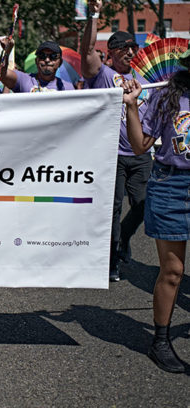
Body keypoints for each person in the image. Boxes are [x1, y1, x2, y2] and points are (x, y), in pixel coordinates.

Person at [121, 49, 190, 373]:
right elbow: (139, 146)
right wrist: (132, 105)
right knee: (173, 271)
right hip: (171, 187)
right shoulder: (167, 97)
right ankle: (159, 341)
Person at [81, 0, 153, 282]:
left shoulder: (144, 79)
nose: (129, 52)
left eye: (132, 47)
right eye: (122, 48)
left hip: (141, 154)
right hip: (110, 155)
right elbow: (87, 51)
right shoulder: (102, 75)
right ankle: (111, 261)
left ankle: (122, 239)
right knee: (111, 208)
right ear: (110, 53)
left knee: (145, 203)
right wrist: (94, 15)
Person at [0, 39, 75, 92]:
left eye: (53, 56)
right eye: (42, 56)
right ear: (36, 61)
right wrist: (6, 51)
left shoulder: (67, 88)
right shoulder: (24, 79)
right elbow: (0, 73)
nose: (47, 60)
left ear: (60, 62)